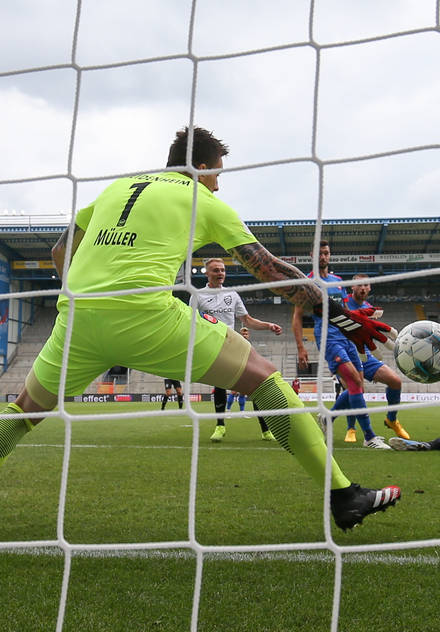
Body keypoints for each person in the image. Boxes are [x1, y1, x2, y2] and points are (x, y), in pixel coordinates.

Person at [0, 126, 400, 531]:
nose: (218, 186)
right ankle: (344, 494)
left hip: (77, 321)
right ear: (201, 167)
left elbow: (59, 250)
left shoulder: (116, 188)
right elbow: (271, 270)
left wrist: (84, 297)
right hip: (146, 316)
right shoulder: (201, 199)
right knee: (266, 383)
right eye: (217, 175)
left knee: (22, 414)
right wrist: (341, 315)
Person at [292, 242, 391, 450]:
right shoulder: (307, 283)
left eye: (326, 253)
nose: (323, 257)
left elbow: (346, 312)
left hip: (348, 337)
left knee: (359, 386)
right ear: (312, 255)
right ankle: (369, 437)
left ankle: (328, 417)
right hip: (328, 338)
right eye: (319, 253)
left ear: (330, 255)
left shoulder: (337, 282)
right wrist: (301, 347)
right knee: (354, 382)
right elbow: (297, 317)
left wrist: (361, 324)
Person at [193, 257, 283, 442]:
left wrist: (268, 325)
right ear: (207, 273)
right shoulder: (197, 295)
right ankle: (220, 426)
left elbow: (247, 320)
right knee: (219, 384)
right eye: (216, 270)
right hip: (212, 345)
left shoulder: (232, 295)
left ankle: (265, 429)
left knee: (255, 383)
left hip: (233, 344)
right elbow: (191, 322)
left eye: (223, 270)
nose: (220, 273)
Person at [340, 273, 409, 441]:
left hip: (365, 355)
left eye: (366, 285)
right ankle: (351, 429)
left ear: (370, 287)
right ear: (352, 287)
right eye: (359, 285)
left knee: (395, 381)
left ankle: (391, 419)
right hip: (345, 353)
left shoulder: (370, 307)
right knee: (355, 388)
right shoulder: (342, 302)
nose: (363, 287)